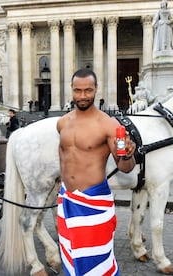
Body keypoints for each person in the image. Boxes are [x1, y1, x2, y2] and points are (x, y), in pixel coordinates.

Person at [56, 68, 136, 275]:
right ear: (72, 90)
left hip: (94, 203)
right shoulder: (62, 123)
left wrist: (127, 154)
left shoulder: (108, 125)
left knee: (97, 262)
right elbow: (63, 158)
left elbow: (125, 167)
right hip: (67, 201)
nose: (82, 96)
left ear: (96, 90)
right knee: (71, 257)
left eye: (88, 90)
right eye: (78, 90)